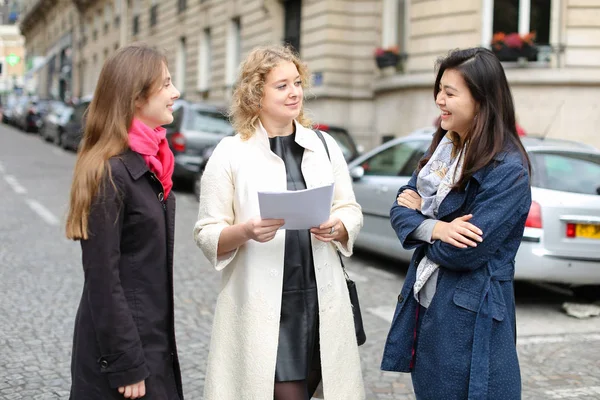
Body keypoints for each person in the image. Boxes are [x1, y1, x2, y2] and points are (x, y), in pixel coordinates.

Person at [193, 44, 365, 400]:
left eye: (297, 82)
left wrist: (339, 226)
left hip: (320, 299)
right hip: (265, 303)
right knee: (287, 391)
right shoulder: (231, 152)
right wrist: (245, 231)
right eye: (282, 85)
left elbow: (350, 208)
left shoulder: (325, 146)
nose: (294, 92)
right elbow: (206, 231)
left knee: (322, 384)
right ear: (256, 95)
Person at [381, 47, 532, 400]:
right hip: (432, 310)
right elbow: (399, 207)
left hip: (472, 318)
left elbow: (463, 252)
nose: (439, 100)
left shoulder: (507, 169)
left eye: (450, 92)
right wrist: (436, 228)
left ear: (482, 99)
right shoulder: (445, 150)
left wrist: (425, 219)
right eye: (439, 90)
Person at [65, 44, 184, 400]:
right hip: (123, 357)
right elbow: (103, 278)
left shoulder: (152, 165)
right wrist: (126, 362)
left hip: (152, 343)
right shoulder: (112, 172)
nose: (175, 92)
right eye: (165, 84)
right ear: (135, 97)